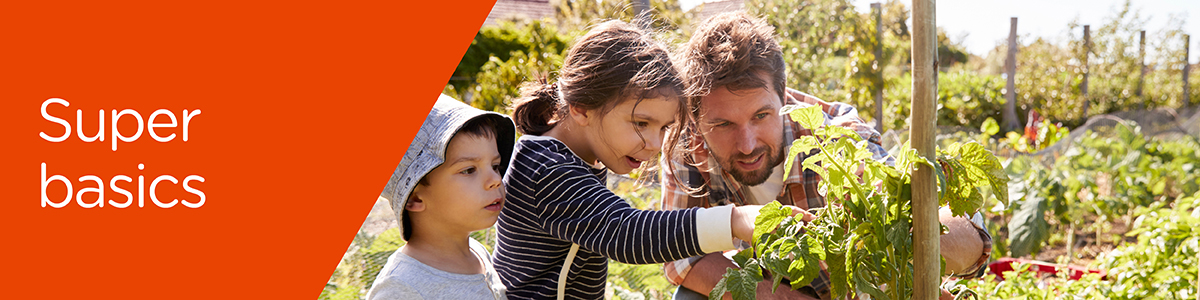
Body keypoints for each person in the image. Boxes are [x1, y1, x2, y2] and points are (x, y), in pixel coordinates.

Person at [662, 12, 993, 300]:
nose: (747, 144)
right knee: (690, 295)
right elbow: (681, 258)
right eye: (723, 124)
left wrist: (902, 267)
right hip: (776, 288)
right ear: (695, 117)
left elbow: (968, 237)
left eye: (761, 116)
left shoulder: (835, 136)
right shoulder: (686, 146)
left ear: (784, 96)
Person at [492, 20, 811, 300]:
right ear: (581, 108)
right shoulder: (546, 169)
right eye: (641, 124)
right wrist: (735, 221)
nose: (655, 145)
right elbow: (626, 233)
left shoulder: (571, 159)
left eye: (664, 128)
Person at [366, 95, 516, 300]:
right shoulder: (402, 287)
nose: (495, 180)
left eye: (495, 166)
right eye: (469, 170)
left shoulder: (476, 252)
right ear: (415, 198)